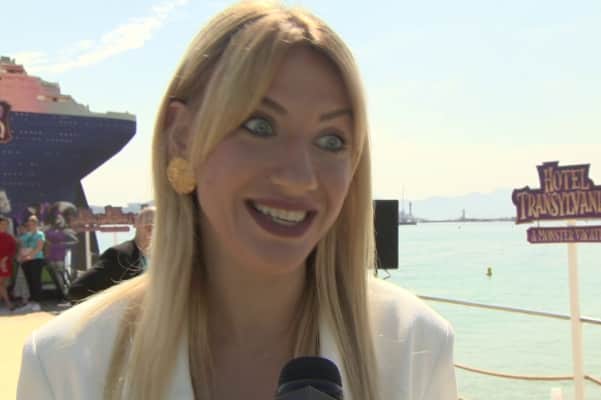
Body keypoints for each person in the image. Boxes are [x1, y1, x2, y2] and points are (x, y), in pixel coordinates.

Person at [17, 2, 457, 399]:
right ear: (182, 137)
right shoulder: (66, 364)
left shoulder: (416, 347)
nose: (299, 178)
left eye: (331, 140)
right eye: (260, 126)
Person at [66, 206, 155, 302]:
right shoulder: (120, 255)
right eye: (149, 227)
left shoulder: (158, 257)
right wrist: (117, 304)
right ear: (148, 229)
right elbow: (77, 290)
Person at [17, 215, 46, 309]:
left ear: (36, 224)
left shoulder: (40, 234)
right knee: (29, 281)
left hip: (36, 260)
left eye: (33, 223)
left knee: (36, 280)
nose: (31, 225)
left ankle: (37, 302)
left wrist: (30, 256)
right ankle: (32, 301)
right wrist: (20, 257)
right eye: (29, 224)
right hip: (26, 261)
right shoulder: (25, 235)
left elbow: (39, 247)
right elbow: (22, 247)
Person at [0, 216, 17, 310]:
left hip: (7, 263)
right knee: (1, 284)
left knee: (4, 284)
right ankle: (8, 303)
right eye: (2, 224)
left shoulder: (10, 237)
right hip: (1, 263)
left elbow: (13, 250)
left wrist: (5, 259)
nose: (5, 226)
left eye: (6, 224)